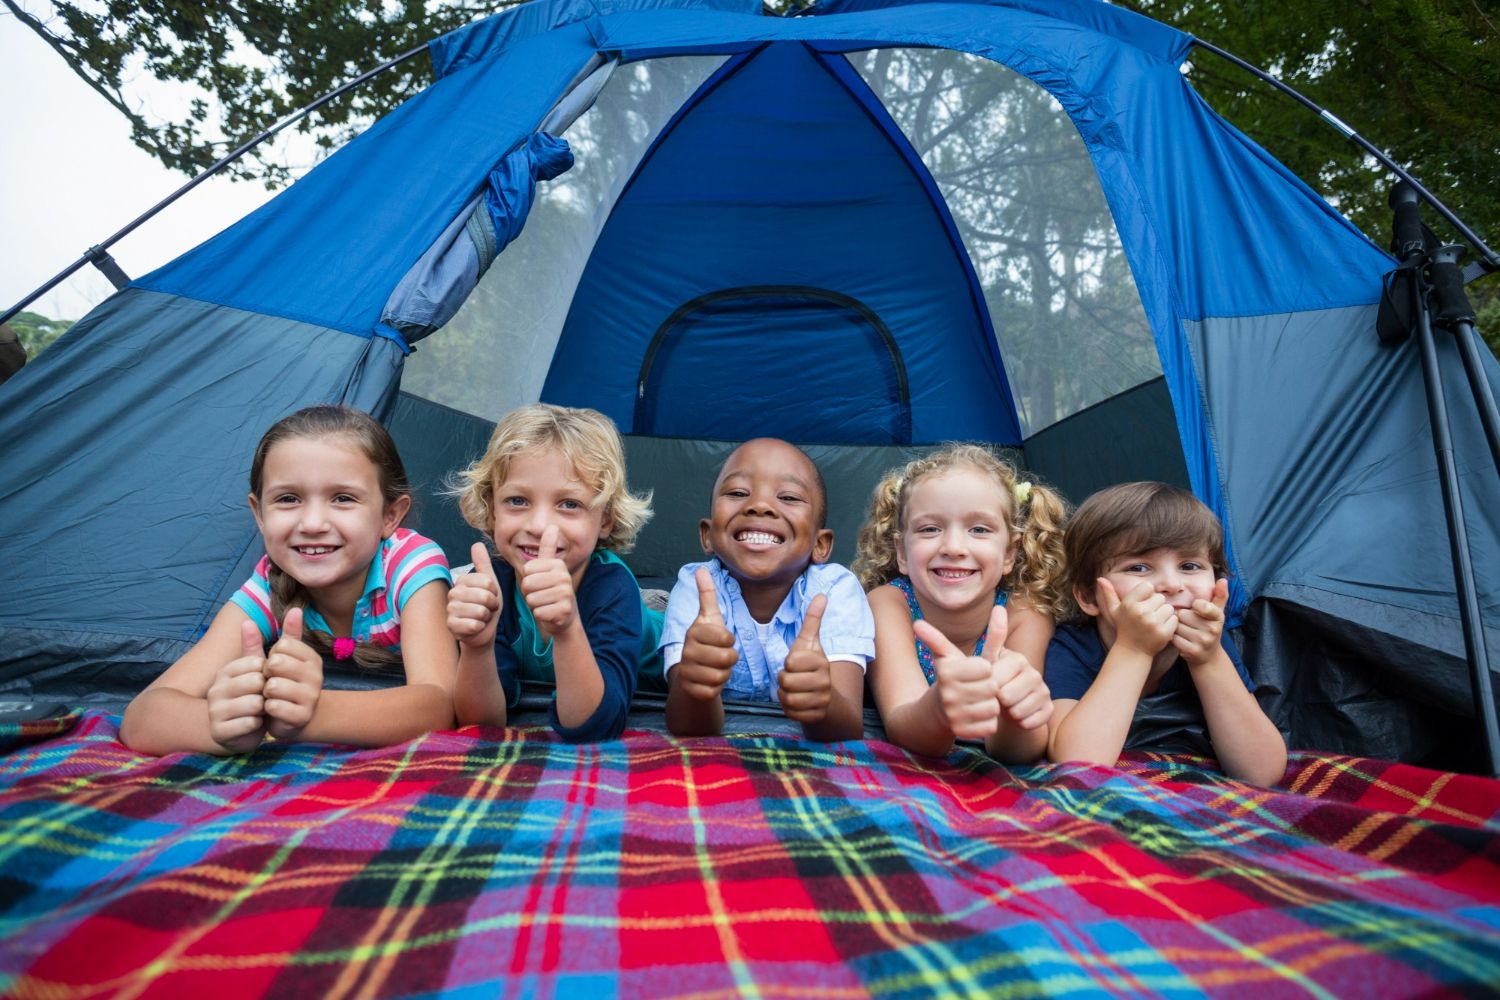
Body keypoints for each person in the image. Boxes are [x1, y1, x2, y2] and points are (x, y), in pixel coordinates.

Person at [120, 406, 458, 755]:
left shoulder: (411, 565)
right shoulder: (269, 586)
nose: (312, 523)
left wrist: (307, 716)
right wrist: (222, 726)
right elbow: (142, 718)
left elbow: (440, 705)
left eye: (343, 498)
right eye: (288, 499)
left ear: (390, 515)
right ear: (259, 514)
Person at [1046, 482, 1287, 785]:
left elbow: (1261, 772)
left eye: (1189, 565)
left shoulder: (1209, 641)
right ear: (1089, 597)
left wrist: (1208, 660)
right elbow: (1078, 764)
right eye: (1138, 568)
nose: (1172, 584)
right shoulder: (1072, 647)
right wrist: (1133, 650)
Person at [446, 404, 659, 742]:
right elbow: (481, 722)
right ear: (491, 509)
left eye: (569, 504)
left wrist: (567, 628)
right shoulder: (491, 584)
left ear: (605, 519)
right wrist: (476, 647)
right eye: (517, 501)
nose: (539, 526)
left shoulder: (613, 588)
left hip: (656, 646)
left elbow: (593, 726)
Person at [853, 445, 1066, 763]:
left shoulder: (1026, 614)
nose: (953, 547)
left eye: (979, 529)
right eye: (930, 529)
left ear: (1009, 553)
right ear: (901, 552)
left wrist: (1014, 714)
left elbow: (1020, 751)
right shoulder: (887, 603)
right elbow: (902, 726)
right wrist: (940, 707)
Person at [662, 438, 873, 742]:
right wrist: (695, 686)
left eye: (788, 497)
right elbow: (687, 726)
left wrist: (822, 697)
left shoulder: (835, 591)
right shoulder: (697, 585)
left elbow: (847, 728)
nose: (759, 505)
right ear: (707, 535)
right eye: (738, 493)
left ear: (820, 544)